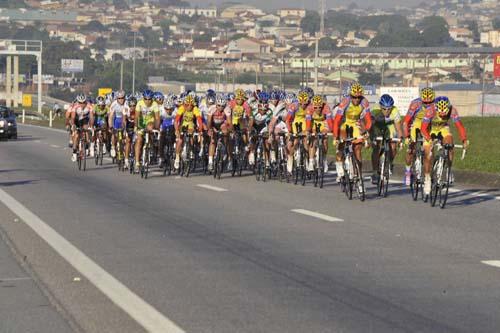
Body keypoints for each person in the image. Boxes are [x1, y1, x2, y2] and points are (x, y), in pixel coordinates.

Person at [421, 96, 468, 197]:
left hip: (443, 128)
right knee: (428, 155)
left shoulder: (452, 110)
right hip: (430, 130)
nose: (442, 115)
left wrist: (464, 140)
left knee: (450, 143)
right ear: (436, 108)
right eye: (440, 113)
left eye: (444, 113)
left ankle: (448, 169)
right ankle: (428, 178)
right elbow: (423, 128)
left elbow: (459, 126)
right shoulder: (430, 111)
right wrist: (429, 140)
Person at [332, 82, 372, 184]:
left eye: (359, 97)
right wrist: (336, 137)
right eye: (354, 97)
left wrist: (365, 131)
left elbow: (368, 120)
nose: (357, 100)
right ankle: (340, 168)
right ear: (351, 96)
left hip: (355, 124)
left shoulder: (364, 102)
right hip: (345, 124)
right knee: (341, 144)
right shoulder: (345, 102)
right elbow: (337, 121)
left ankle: (358, 173)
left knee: (357, 148)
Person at [403, 87, 436, 185]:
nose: (427, 105)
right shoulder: (415, 104)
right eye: (424, 103)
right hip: (417, 123)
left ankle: (429, 170)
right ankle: (408, 172)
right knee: (410, 148)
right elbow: (406, 122)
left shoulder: (436, 106)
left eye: (429, 102)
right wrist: (407, 136)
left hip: (429, 124)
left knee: (430, 148)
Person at [370, 94, 404, 184]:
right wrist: (372, 136)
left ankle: (389, 163)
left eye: (389, 108)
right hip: (377, 126)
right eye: (384, 109)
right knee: (376, 147)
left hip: (389, 126)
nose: (387, 111)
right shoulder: (375, 109)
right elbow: (370, 124)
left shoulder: (395, 111)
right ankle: (374, 172)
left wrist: (400, 139)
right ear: (380, 106)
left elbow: (398, 128)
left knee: (393, 145)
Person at [134, 89, 160, 173]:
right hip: (141, 122)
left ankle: (151, 149)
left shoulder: (155, 104)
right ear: (143, 98)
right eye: (146, 99)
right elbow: (137, 117)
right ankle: (137, 162)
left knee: (151, 130)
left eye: (149, 99)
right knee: (139, 140)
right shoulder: (140, 103)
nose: (147, 101)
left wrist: (157, 127)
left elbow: (157, 118)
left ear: (152, 99)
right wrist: (136, 126)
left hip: (150, 122)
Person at [174, 95, 203, 170]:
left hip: (190, 124)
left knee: (191, 133)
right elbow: (176, 120)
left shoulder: (195, 109)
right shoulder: (182, 108)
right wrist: (177, 130)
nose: (189, 107)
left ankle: (190, 150)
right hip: (182, 124)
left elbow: (199, 120)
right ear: (184, 104)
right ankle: (177, 158)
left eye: (191, 105)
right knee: (180, 141)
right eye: (187, 105)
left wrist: (200, 130)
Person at [306, 94, 333, 172]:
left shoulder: (326, 108)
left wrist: (330, 131)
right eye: (316, 107)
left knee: (325, 141)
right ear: (313, 106)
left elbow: (330, 123)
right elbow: (308, 123)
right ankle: (311, 162)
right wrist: (308, 132)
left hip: (323, 122)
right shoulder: (309, 108)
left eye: (320, 107)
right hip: (314, 123)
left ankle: (324, 160)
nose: (318, 109)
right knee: (313, 141)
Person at [286, 90, 310, 173]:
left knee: (306, 142)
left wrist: (308, 130)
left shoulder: (310, 106)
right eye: (301, 103)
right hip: (295, 123)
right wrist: (290, 131)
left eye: (305, 104)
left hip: (305, 123)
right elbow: (288, 119)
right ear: (298, 102)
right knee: (295, 142)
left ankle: (308, 160)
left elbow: (310, 120)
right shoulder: (294, 106)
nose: (303, 105)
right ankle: (290, 158)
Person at [207, 94, 232, 171]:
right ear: (216, 104)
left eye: (222, 106)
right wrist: (210, 129)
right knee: (213, 141)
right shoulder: (211, 108)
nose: (221, 108)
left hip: (222, 124)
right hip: (214, 124)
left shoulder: (227, 109)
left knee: (225, 131)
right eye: (219, 105)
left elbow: (229, 122)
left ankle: (224, 149)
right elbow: (209, 122)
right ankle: (210, 161)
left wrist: (230, 131)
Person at [248, 92, 273, 168]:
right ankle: (252, 152)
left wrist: (269, 135)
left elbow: (269, 125)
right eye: (261, 110)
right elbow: (250, 124)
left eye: (264, 110)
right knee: (253, 138)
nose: (263, 111)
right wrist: (251, 131)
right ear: (258, 107)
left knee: (266, 144)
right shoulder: (254, 111)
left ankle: (267, 161)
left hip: (263, 127)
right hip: (255, 126)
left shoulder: (269, 112)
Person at [69, 94, 94, 162]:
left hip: (84, 119)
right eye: (80, 102)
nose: (82, 104)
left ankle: (88, 145)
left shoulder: (89, 106)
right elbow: (72, 117)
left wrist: (91, 126)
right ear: (78, 102)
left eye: (83, 102)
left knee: (87, 129)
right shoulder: (75, 106)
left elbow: (91, 117)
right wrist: (73, 125)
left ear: (86, 101)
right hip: (77, 120)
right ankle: (74, 153)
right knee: (76, 135)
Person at [108, 90, 128, 159]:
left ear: (125, 98)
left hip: (125, 119)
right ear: (117, 98)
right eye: (119, 98)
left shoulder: (126, 103)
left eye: (122, 98)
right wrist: (110, 126)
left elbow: (126, 117)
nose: (121, 100)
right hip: (117, 119)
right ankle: (113, 147)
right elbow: (110, 117)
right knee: (114, 133)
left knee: (125, 136)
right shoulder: (114, 104)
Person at [158, 96, 177, 168]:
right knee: (161, 140)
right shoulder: (161, 110)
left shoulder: (176, 110)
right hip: (163, 126)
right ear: (164, 107)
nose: (169, 111)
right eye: (167, 109)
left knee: (174, 138)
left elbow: (178, 121)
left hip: (172, 126)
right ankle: (161, 157)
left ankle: (173, 153)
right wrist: (158, 129)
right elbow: (157, 120)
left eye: (170, 109)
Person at [123, 96, 137, 169]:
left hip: (136, 124)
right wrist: (125, 129)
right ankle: (126, 160)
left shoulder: (138, 109)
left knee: (137, 141)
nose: (132, 107)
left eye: (134, 105)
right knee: (128, 140)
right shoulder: (126, 109)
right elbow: (124, 120)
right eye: (130, 106)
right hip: (128, 124)